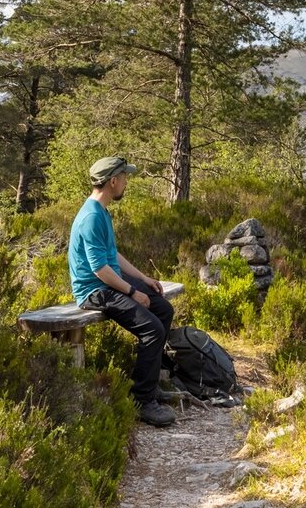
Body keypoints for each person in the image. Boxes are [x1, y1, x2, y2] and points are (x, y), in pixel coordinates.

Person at [69, 156, 177, 428]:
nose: (127, 182)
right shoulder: (92, 216)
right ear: (112, 181)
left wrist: (143, 279)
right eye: (125, 177)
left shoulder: (101, 211)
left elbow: (112, 255)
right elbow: (99, 270)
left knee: (163, 308)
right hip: (94, 291)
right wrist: (132, 291)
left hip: (109, 282)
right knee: (151, 329)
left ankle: (150, 384)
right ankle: (143, 401)